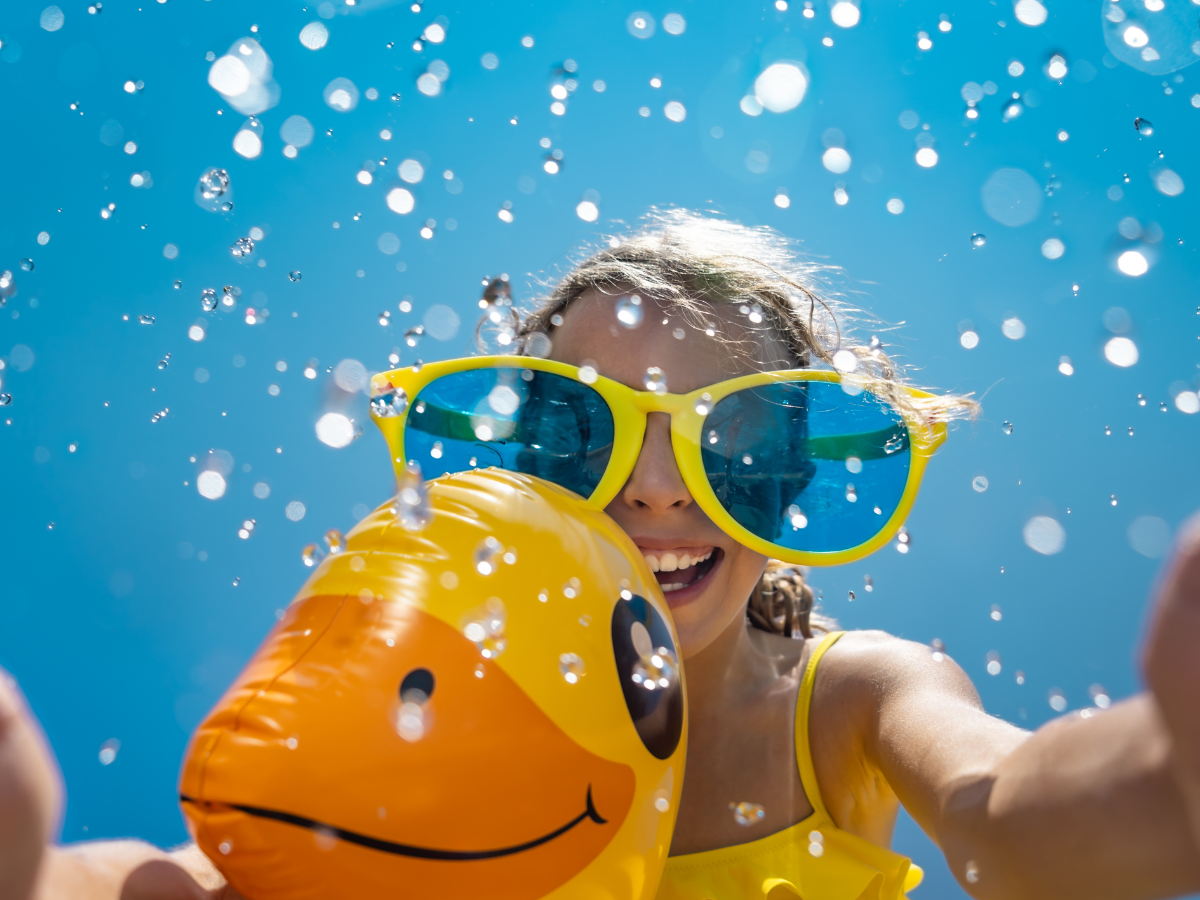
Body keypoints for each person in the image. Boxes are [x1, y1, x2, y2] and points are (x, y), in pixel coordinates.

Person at [4, 210, 1200, 900]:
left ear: (786, 489)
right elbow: (198, 876)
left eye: (736, 441)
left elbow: (1001, 809)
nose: (656, 487)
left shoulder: (841, 699)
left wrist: (1167, 770)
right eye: (584, 433)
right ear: (523, 475)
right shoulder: (465, 702)